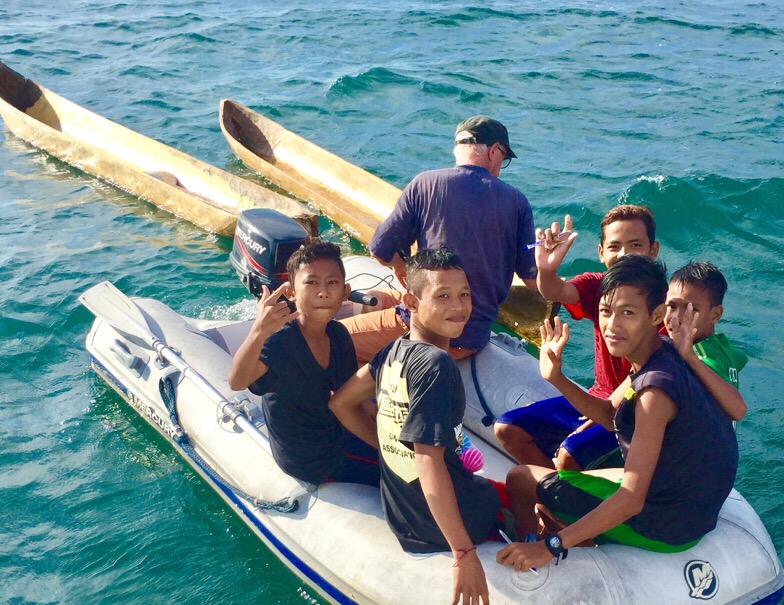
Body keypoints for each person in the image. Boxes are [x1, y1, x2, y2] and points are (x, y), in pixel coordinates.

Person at [496, 255, 739, 573]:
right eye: (606, 311)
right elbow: (610, 414)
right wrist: (556, 378)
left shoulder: (655, 394)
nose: (612, 325)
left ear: (656, 315)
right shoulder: (662, 350)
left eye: (627, 313)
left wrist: (549, 547)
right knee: (563, 479)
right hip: (687, 506)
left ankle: (531, 556)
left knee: (521, 478)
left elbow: (631, 499)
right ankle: (560, 529)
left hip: (667, 525)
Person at [330, 249, 503, 605]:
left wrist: (386, 444)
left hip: (402, 516)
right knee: (521, 483)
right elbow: (427, 462)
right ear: (410, 302)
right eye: (443, 296)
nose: (458, 306)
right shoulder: (437, 365)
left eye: (464, 294)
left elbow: (341, 403)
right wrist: (463, 553)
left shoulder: (391, 352)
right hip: (445, 525)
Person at [341, 115, 537, 364]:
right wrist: (547, 253)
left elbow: (379, 250)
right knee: (384, 298)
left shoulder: (425, 183)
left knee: (326, 339)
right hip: (474, 336)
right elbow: (532, 277)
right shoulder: (518, 202)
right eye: (504, 158)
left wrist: (401, 268)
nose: (501, 165)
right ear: (493, 151)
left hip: (428, 329)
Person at [494, 205, 660, 470]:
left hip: (635, 415)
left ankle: (561, 493)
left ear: (653, 250)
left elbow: (635, 386)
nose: (624, 254)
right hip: (598, 398)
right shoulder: (597, 286)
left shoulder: (661, 307)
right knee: (507, 429)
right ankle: (553, 492)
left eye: (636, 245)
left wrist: (600, 414)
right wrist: (546, 269)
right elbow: (556, 291)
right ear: (601, 252)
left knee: (568, 455)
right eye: (615, 246)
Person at [227, 239, 379, 488]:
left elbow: (353, 396)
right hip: (312, 457)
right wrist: (258, 331)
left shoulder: (338, 335)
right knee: (399, 471)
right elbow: (237, 382)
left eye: (332, 283)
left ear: (345, 292)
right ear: (291, 293)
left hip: (332, 429)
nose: (323, 292)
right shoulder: (280, 342)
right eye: (312, 283)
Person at [664, 261, 747, 422]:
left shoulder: (700, 358)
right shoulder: (722, 345)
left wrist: (689, 357)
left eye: (692, 309)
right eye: (672, 306)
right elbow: (741, 357)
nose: (677, 317)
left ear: (715, 315)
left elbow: (738, 410)